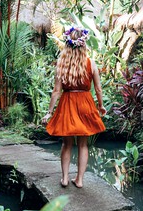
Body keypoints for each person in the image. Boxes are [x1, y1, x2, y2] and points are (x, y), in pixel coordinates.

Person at [41, 26, 106, 188]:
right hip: (85, 104)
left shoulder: (62, 65)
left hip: (67, 104)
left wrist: (49, 112)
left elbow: (56, 91)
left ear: (67, 45)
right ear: (83, 45)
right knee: (83, 144)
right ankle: (80, 180)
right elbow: (98, 88)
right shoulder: (91, 64)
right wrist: (101, 105)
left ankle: (64, 178)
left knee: (67, 144)